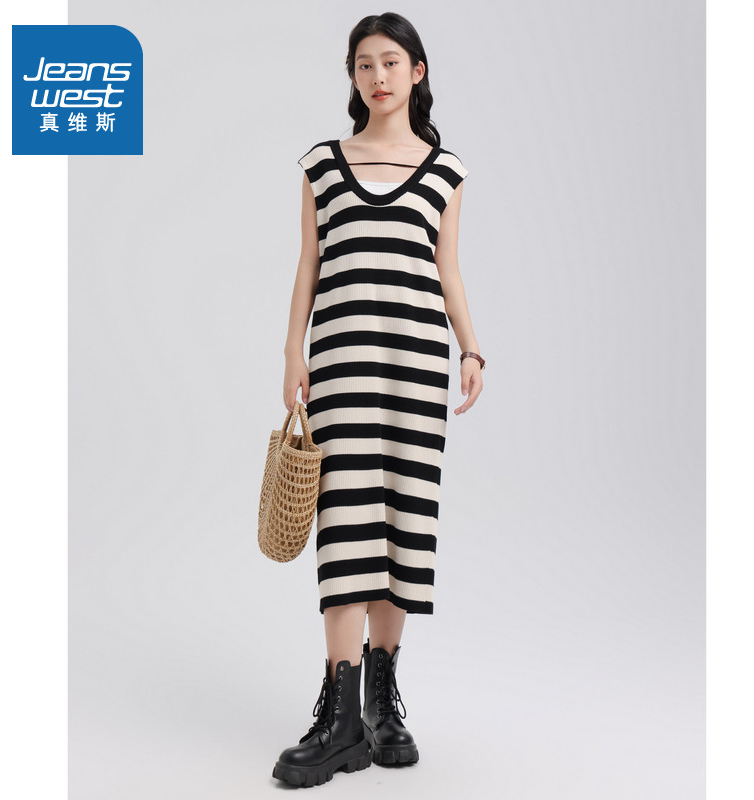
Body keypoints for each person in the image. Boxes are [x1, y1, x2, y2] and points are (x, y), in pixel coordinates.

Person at [273, 12, 485, 788]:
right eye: (364, 64)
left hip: (417, 366)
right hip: (341, 363)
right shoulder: (322, 164)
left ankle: (381, 704)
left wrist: (471, 348)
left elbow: (448, 269)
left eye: (391, 62)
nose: (378, 76)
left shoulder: (446, 171)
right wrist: (292, 352)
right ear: (354, 77)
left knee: (402, 520)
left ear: (416, 71)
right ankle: (339, 717)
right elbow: (309, 265)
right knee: (346, 524)